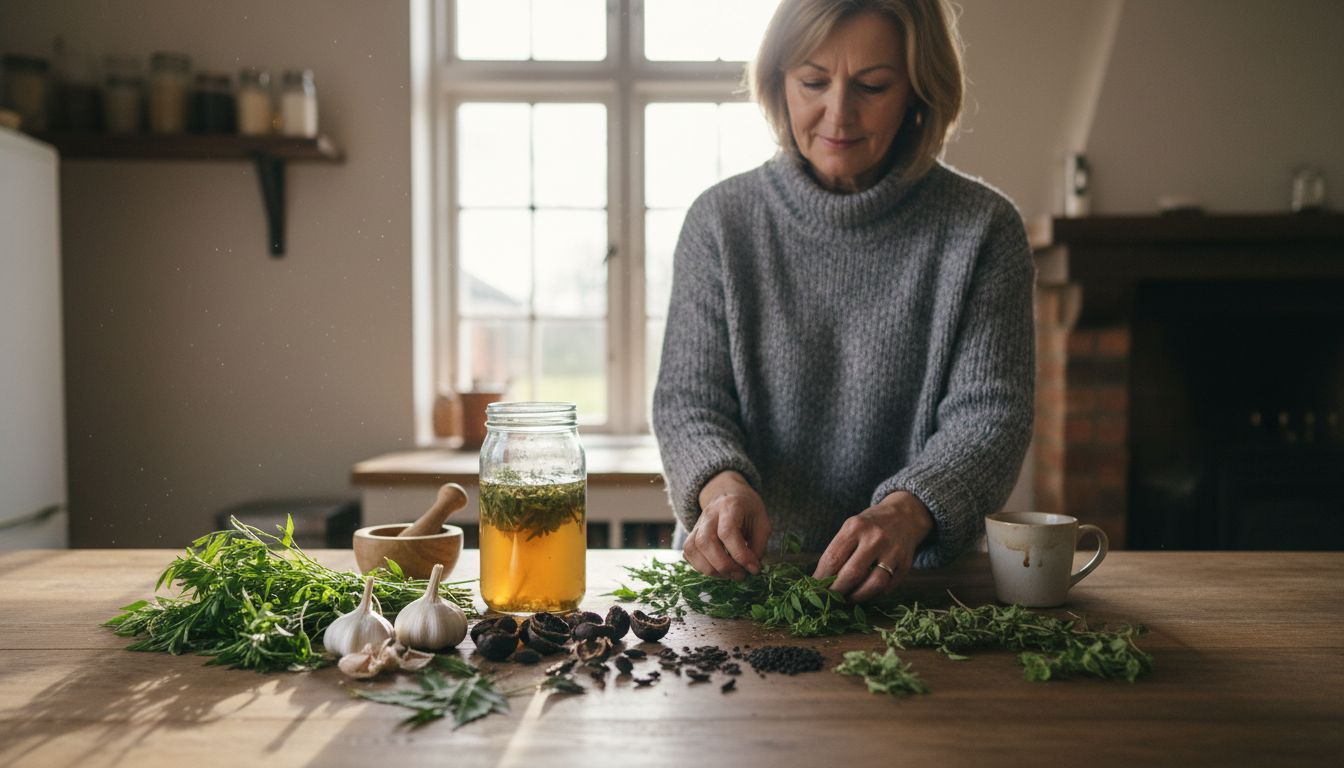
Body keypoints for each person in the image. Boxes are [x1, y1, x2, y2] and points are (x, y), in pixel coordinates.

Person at [651, 0, 1035, 604]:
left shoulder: (983, 229)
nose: (838, 113)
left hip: (918, 587)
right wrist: (723, 490)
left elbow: (990, 420)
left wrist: (907, 513)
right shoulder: (720, 222)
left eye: (873, 86)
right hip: (740, 584)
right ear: (778, 83)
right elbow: (688, 401)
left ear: (918, 90)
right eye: (812, 81)